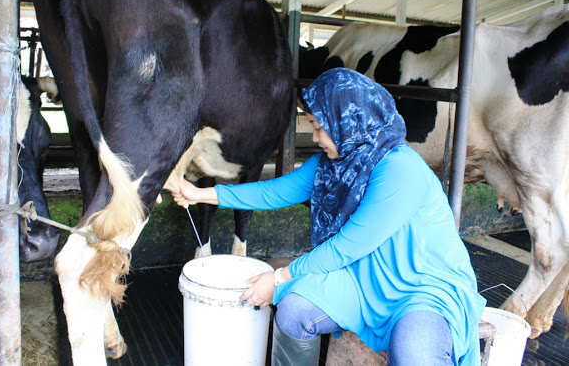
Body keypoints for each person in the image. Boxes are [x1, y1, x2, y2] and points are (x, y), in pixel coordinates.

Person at [171, 68, 486, 366]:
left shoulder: (400, 169)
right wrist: (198, 194)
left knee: (413, 350)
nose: (316, 137)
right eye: (312, 126)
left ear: (349, 122)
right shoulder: (334, 162)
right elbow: (274, 192)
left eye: (320, 128)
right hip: (360, 279)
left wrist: (278, 277)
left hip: (421, 288)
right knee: (293, 310)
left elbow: (347, 246)